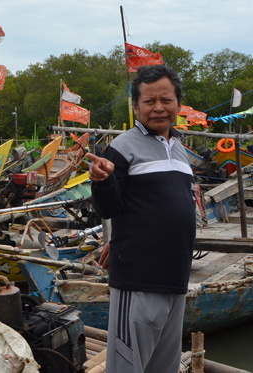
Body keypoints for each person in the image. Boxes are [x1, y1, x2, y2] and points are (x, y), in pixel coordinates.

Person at [86, 64, 195, 373]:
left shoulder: (181, 151)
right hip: (138, 279)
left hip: (176, 279)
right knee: (128, 367)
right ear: (136, 107)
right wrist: (102, 180)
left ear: (177, 104)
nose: (158, 108)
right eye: (149, 102)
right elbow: (108, 209)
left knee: (164, 366)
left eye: (166, 100)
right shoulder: (121, 148)